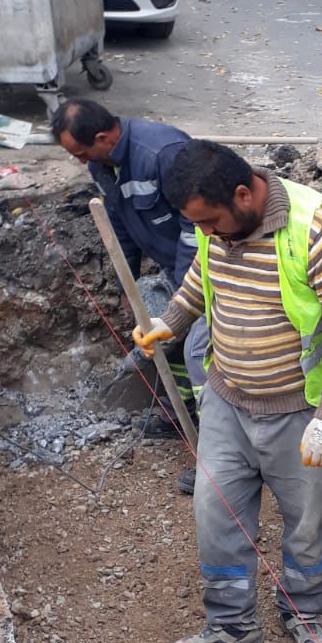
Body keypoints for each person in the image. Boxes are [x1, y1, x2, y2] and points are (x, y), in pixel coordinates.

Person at [132, 140, 322, 643]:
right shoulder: (213, 220)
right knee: (216, 517)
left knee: (309, 521)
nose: (209, 234)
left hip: (300, 414)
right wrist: (168, 323)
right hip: (227, 403)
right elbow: (201, 280)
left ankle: (305, 614)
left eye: (213, 222)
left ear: (244, 194)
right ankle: (231, 625)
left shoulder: (315, 227)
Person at [50, 99, 207, 467]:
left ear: (104, 137)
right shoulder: (103, 164)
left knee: (200, 355)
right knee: (171, 342)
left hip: (204, 271)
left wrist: (187, 295)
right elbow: (119, 223)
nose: (80, 161)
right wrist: (128, 285)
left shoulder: (162, 153)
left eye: (81, 152)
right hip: (173, 269)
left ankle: (216, 450)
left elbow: (195, 227)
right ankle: (178, 414)